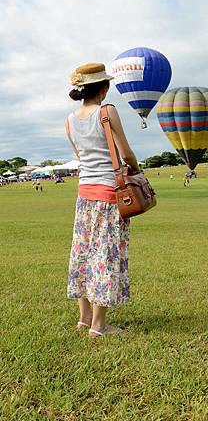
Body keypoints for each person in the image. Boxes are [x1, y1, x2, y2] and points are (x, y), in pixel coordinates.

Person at [66, 63, 140, 338]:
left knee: (82, 253)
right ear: (104, 88)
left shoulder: (69, 120)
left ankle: (84, 318)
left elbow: (82, 157)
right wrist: (137, 171)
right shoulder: (107, 112)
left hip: (84, 194)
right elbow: (126, 153)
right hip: (109, 195)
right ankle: (99, 326)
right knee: (104, 255)